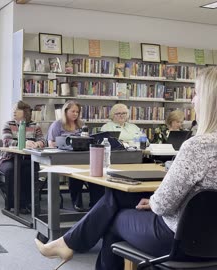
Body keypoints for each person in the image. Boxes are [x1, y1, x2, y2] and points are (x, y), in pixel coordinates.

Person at [35, 66, 217, 270]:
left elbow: (163, 205)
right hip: (209, 239)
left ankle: (67, 244)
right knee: (117, 199)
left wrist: (155, 201)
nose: (192, 101)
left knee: (112, 217)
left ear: (210, 101)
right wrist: (156, 201)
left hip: (182, 242)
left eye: (197, 94)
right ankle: (66, 243)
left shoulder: (198, 146)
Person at [47, 101, 104, 211]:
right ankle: (77, 202)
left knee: (96, 171)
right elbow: (51, 144)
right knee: (76, 171)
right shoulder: (57, 125)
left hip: (82, 156)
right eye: (73, 111)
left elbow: (87, 140)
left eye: (77, 112)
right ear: (65, 111)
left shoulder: (81, 125)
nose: (75, 114)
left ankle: (96, 203)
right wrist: (66, 144)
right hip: (64, 158)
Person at [0, 100, 46, 213]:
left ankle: (27, 203)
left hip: (28, 159)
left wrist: (37, 144)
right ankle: (11, 204)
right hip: (8, 158)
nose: (13, 111)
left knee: (31, 169)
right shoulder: (8, 124)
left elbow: (43, 140)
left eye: (16, 109)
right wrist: (22, 143)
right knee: (11, 170)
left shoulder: (35, 126)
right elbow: (7, 141)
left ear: (25, 111)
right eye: (13, 110)